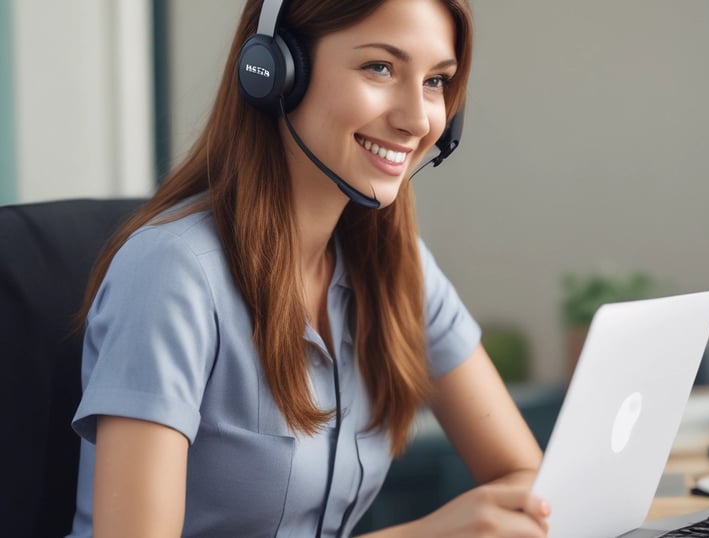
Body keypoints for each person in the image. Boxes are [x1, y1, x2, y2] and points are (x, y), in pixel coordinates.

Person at [66, 0, 551, 536]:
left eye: (436, 81)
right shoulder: (171, 274)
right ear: (274, 71)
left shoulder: (397, 265)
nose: (417, 120)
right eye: (380, 68)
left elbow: (525, 481)